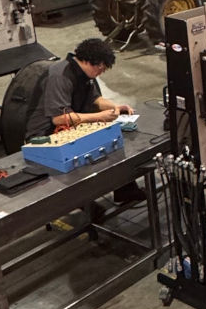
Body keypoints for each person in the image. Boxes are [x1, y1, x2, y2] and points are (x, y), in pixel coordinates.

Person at [26, 38, 144, 204]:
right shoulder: (60, 75)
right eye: (101, 67)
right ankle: (86, 207)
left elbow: (96, 99)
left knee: (112, 143)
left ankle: (124, 190)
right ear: (90, 62)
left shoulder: (85, 74)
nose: (102, 71)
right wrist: (99, 117)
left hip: (71, 123)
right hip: (46, 133)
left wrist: (116, 106)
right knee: (88, 156)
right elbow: (59, 118)